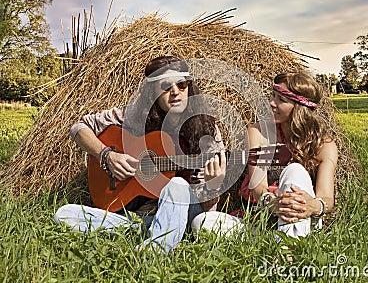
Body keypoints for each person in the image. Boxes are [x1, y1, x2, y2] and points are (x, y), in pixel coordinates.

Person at [54, 55, 226, 254]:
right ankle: (153, 232)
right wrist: (107, 155)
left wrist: (214, 186)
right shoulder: (134, 115)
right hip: (136, 215)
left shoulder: (206, 130)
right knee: (64, 214)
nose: (175, 92)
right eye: (165, 86)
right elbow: (79, 128)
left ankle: (155, 250)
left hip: (183, 212)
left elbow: (206, 210)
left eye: (182, 84)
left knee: (177, 185)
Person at [191, 72, 338, 239]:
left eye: (281, 100)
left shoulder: (324, 145)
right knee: (201, 222)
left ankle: (286, 250)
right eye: (273, 96)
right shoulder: (258, 132)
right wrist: (275, 203)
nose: (271, 103)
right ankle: (277, 240)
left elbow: (327, 197)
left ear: (300, 109)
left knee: (295, 171)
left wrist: (313, 206)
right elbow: (257, 187)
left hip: (304, 216)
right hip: (263, 217)